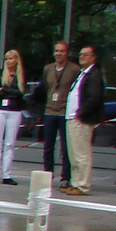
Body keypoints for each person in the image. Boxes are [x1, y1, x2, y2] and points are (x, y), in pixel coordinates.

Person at [63, 45, 105, 196]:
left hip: (81, 119)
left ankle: (83, 185)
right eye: (81, 54)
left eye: (86, 55)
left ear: (93, 57)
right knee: (73, 154)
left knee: (82, 153)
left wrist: (80, 113)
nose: (82, 57)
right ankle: (75, 183)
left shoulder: (94, 74)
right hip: (72, 117)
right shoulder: (83, 73)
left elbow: (94, 97)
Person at [36, 41, 78, 186]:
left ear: (67, 53)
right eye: (57, 51)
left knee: (65, 147)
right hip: (49, 111)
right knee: (48, 146)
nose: (59, 54)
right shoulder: (48, 68)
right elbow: (46, 87)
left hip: (64, 112)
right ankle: (48, 174)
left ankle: (65, 177)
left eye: (62, 51)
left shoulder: (74, 69)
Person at [0, 48, 29, 185]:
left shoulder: (21, 75)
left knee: (10, 143)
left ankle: (7, 174)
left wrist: (5, 90)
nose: (8, 61)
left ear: (16, 60)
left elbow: (21, 92)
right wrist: (10, 93)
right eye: (6, 59)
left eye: (11, 58)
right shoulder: (0, 74)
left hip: (14, 110)